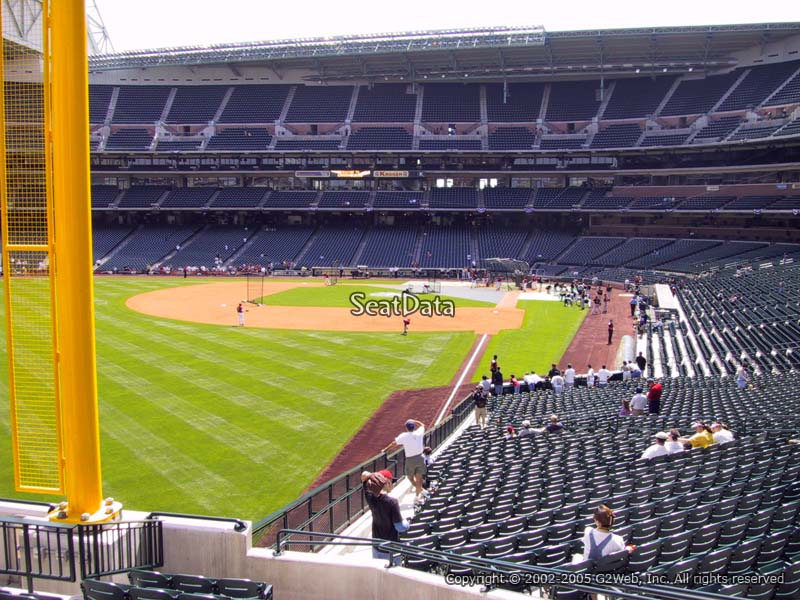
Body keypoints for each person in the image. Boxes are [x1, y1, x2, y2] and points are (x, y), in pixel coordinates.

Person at [364, 471, 409, 562]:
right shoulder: (392, 502)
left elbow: (364, 475)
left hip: (377, 547)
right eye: (391, 482)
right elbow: (400, 527)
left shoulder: (369, 497)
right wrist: (407, 523)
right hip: (392, 550)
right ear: (387, 482)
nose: (393, 484)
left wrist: (374, 477)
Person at [382, 419, 428, 500]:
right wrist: (415, 421)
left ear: (407, 428)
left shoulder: (404, 435)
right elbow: (422, 425)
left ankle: (422, 492)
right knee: (419, 479)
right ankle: (420, 494)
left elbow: (394, 443)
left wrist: (385, 450)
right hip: (420, 458)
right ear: (414, 427)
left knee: (410, 477)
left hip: (410, 459)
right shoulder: (419, 432)